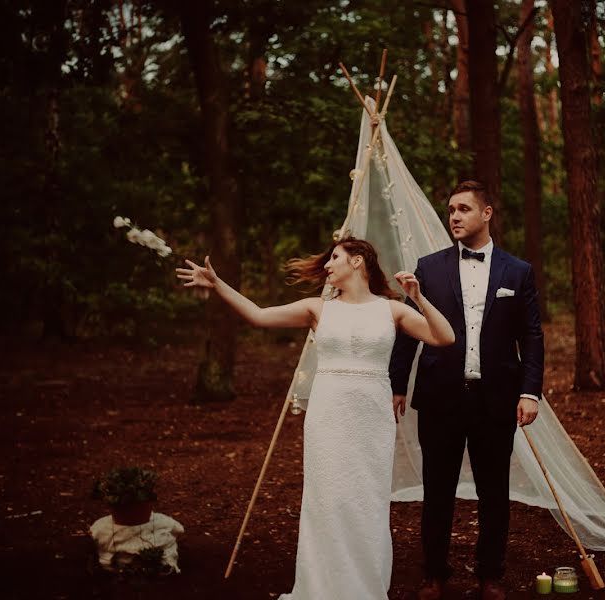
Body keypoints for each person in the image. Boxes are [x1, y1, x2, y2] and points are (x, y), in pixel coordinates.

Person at [176, 237, 454, 600]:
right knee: (327, 500)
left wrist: (418, 297)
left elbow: (444, 337)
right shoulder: (317, 309)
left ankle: (363, 589)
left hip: (371, 418)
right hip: (329, 415)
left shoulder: (392, 311)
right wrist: (218, 284)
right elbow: (259, 316)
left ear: (358, 262)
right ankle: (322, 588)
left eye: (334, 258)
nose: (327, 265)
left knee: (366, 502)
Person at [389, 180, 545, 600]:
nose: (454, 216)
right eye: (451, 210)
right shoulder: (428, 267)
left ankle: (490, 574)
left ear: (487, 213)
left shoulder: (518, 271)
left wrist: (530, 392)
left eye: (463, 209)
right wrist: (397, 384)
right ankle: (434, 573)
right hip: (440, 396)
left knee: (494, 491)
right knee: (436, 489)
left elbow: (531, 336)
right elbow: (407, 330)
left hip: (495, 398)